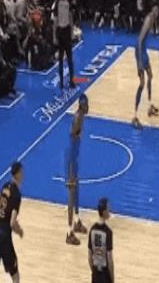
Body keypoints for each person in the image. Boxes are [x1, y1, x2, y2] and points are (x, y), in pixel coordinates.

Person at [0, 161, 24, 283]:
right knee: (15, 275)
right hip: (4, 236)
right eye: (22, 172)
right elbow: (12, 222)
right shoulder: (16, 195)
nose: (23, 175)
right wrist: (19, 231)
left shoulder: (5, 187)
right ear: (17, 174)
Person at [66, 94, 89, 245]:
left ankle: (77, 221)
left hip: (74, 158)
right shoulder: (78, 118)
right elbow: (72, 133)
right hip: (71, 160)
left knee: (77, 190)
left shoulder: (81, 116)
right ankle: (69, 233)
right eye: (87, 104)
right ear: (83, 105)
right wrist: (77, 133)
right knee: (71, 195)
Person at [133, 6, 159, 128]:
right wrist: (139, 62)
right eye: (156, 10)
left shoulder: (153, 19)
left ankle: (149, 105)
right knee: (142, 84)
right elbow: (139, 41)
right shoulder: (149, 20)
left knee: (150, 76)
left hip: (143, 50)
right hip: (139, 51)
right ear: (153, 11)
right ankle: (135, 115)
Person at [53, 0, 75, 90]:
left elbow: (71, 20)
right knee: (60, 59)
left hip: (66, 31)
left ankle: (72, 80)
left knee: (70, 58)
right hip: (60, 31)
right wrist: (54, 36)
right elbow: (55, 21)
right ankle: (61, 81)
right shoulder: (57, 3)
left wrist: (72, 33)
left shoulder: (69, 3)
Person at [88, 197, 114, 283]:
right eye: (108, 208)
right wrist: (112, 279)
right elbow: (110, 260)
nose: (110, 210)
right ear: (104, 212)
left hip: (95, 274)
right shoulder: (108, 232)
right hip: (105, 275)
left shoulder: (92, 230)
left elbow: (89, 257)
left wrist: (94, 272)